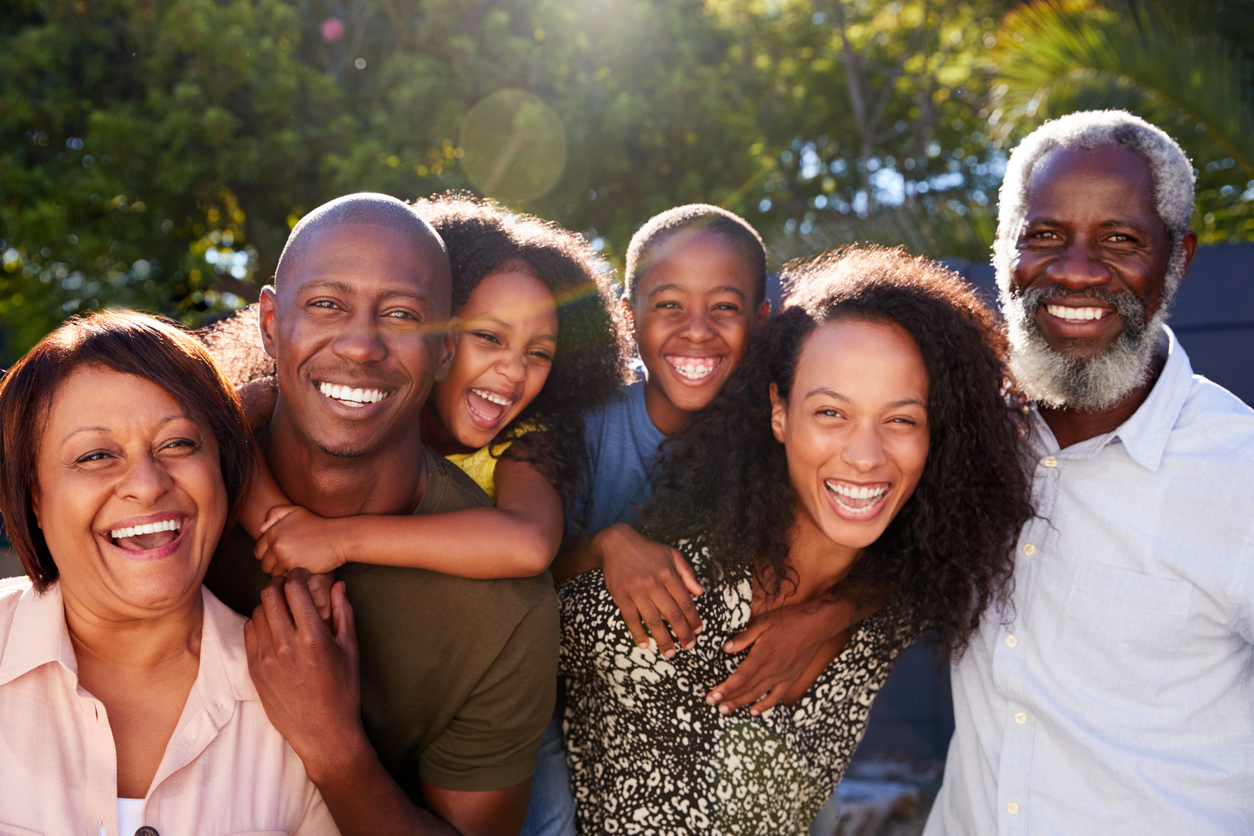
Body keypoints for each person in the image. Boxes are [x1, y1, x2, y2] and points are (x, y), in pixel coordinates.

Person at [558, 247, 1034, 834]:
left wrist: (834, 611)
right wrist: (603, 546)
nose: (865, 456)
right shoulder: (667, 592)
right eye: (832, 413)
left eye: (901, 420)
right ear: (779, 415)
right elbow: (513, 620)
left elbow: (917, 574)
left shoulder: (906, 591)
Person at [924, 111, 1254, 834]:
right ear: (1004, 252)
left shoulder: (1241, 475)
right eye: (1044, 236)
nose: (1075, 270)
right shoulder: (961, 435)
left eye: (1120, 239)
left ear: (1178, 259)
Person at [202, 193, 559, 836]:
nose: (362, 346)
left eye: (401, 315)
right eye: (326, 305)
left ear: (444, 349)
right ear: (269, 321)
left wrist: (335, 749)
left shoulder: (508, 611)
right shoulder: (174, 496)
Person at [0, 311, 337, 834]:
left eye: (178, 443)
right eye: (94, 456)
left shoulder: (305, 696)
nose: (148, 483)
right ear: (34, 499)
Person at [228, 193, 628, 580]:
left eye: (539, 353)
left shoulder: (521, 447)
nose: (514, 370)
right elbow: (225, 430)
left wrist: (336, 541)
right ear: (441, 341)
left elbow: (530, 543)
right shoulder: (334, 395)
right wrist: (281, 526)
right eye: (489, 337)